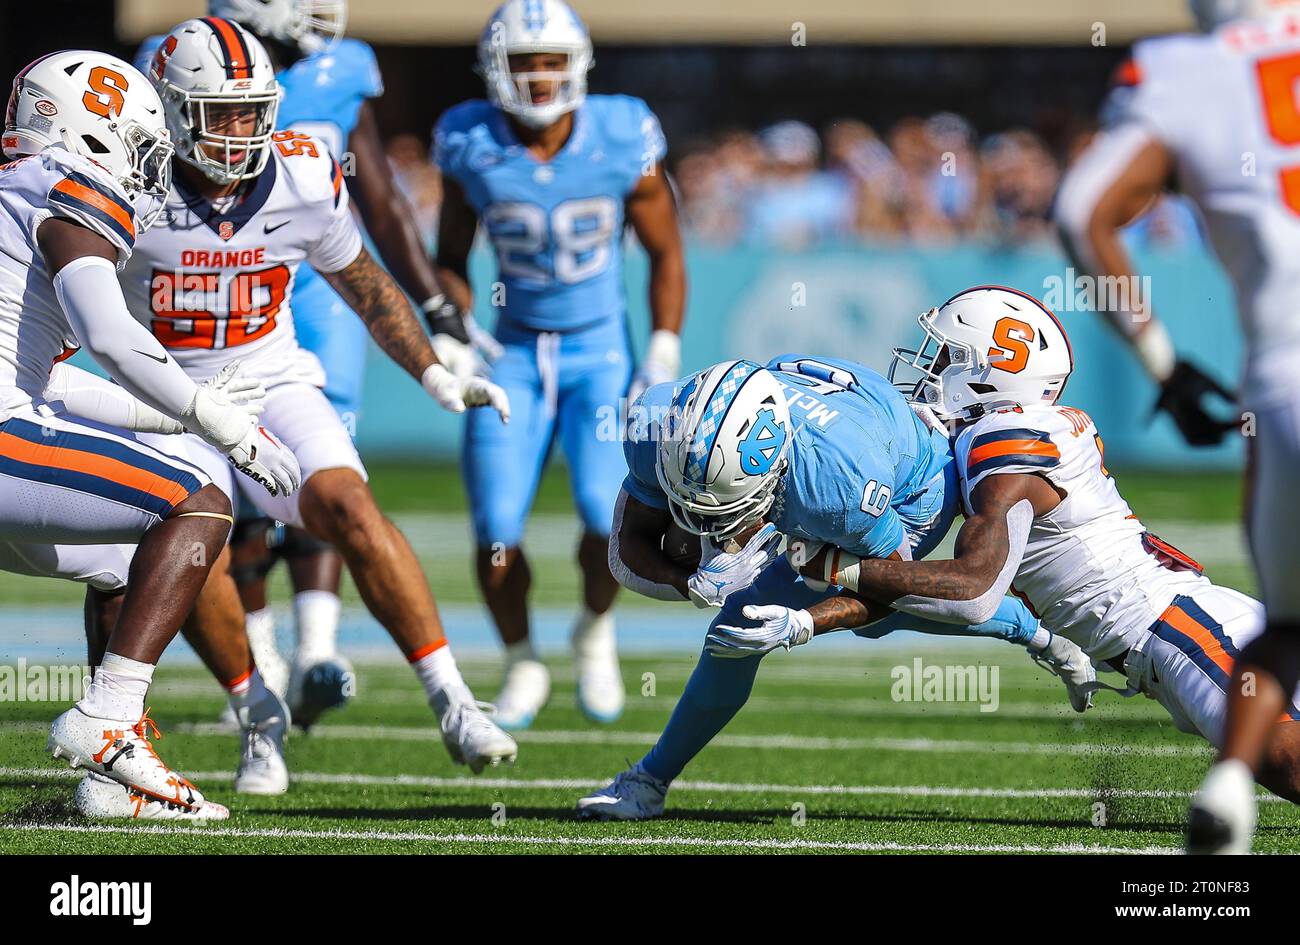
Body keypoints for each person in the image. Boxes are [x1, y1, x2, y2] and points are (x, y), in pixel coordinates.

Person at [769, 286, 1300, 808]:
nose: (930, 367)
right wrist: (810, 618)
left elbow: (972, 591)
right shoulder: (1021, 430)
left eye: (948, 355)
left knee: (1281, 758)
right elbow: (918, 589)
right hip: (1188, 621)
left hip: (1176, 627)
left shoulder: (1000, 442)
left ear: (987, 372)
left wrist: (834, 567)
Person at [575, 354, 1089, 820]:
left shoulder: (836, 487)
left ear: (773, 475)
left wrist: (801, 624)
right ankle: (650, 781)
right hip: (840, 444)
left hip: (913, 487)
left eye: (728, 515)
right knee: (732, 621)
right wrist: (692, 582)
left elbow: (890, 589)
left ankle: (1035, 628)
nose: (715, 532)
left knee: (833, 608)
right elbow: (626, 550)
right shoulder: (659, 422)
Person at [0, 49, 300, 817]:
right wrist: (219, 422)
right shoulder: (63, 191)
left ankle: (109, 779)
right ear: (86, 133)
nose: (145, 170)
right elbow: (108, 331)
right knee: (198, 500)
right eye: (137, 147)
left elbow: (51, 380)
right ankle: (108, 717)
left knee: (124, 560)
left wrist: (178, 407)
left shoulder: (14, 194)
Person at [1054, 0, 1300, 852]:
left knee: (1288, 623)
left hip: (1285, 381)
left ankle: (1230, 781)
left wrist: (1164, 362)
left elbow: (1081, 210)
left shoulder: (1188, 69)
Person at [432, 0, 687, 728]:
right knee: (497, 533)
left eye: (550, 61)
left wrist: (662, 344)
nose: (539, 78)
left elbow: (667, 250)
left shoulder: (621, 131)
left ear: (577, 66)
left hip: (600, 350)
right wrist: (451, 327)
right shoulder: (467, 139)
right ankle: (520, 661)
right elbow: (450, 256)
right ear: (495, 69)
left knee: (608, 519)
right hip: (511, 352)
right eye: (524, 62)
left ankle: (593, 631)